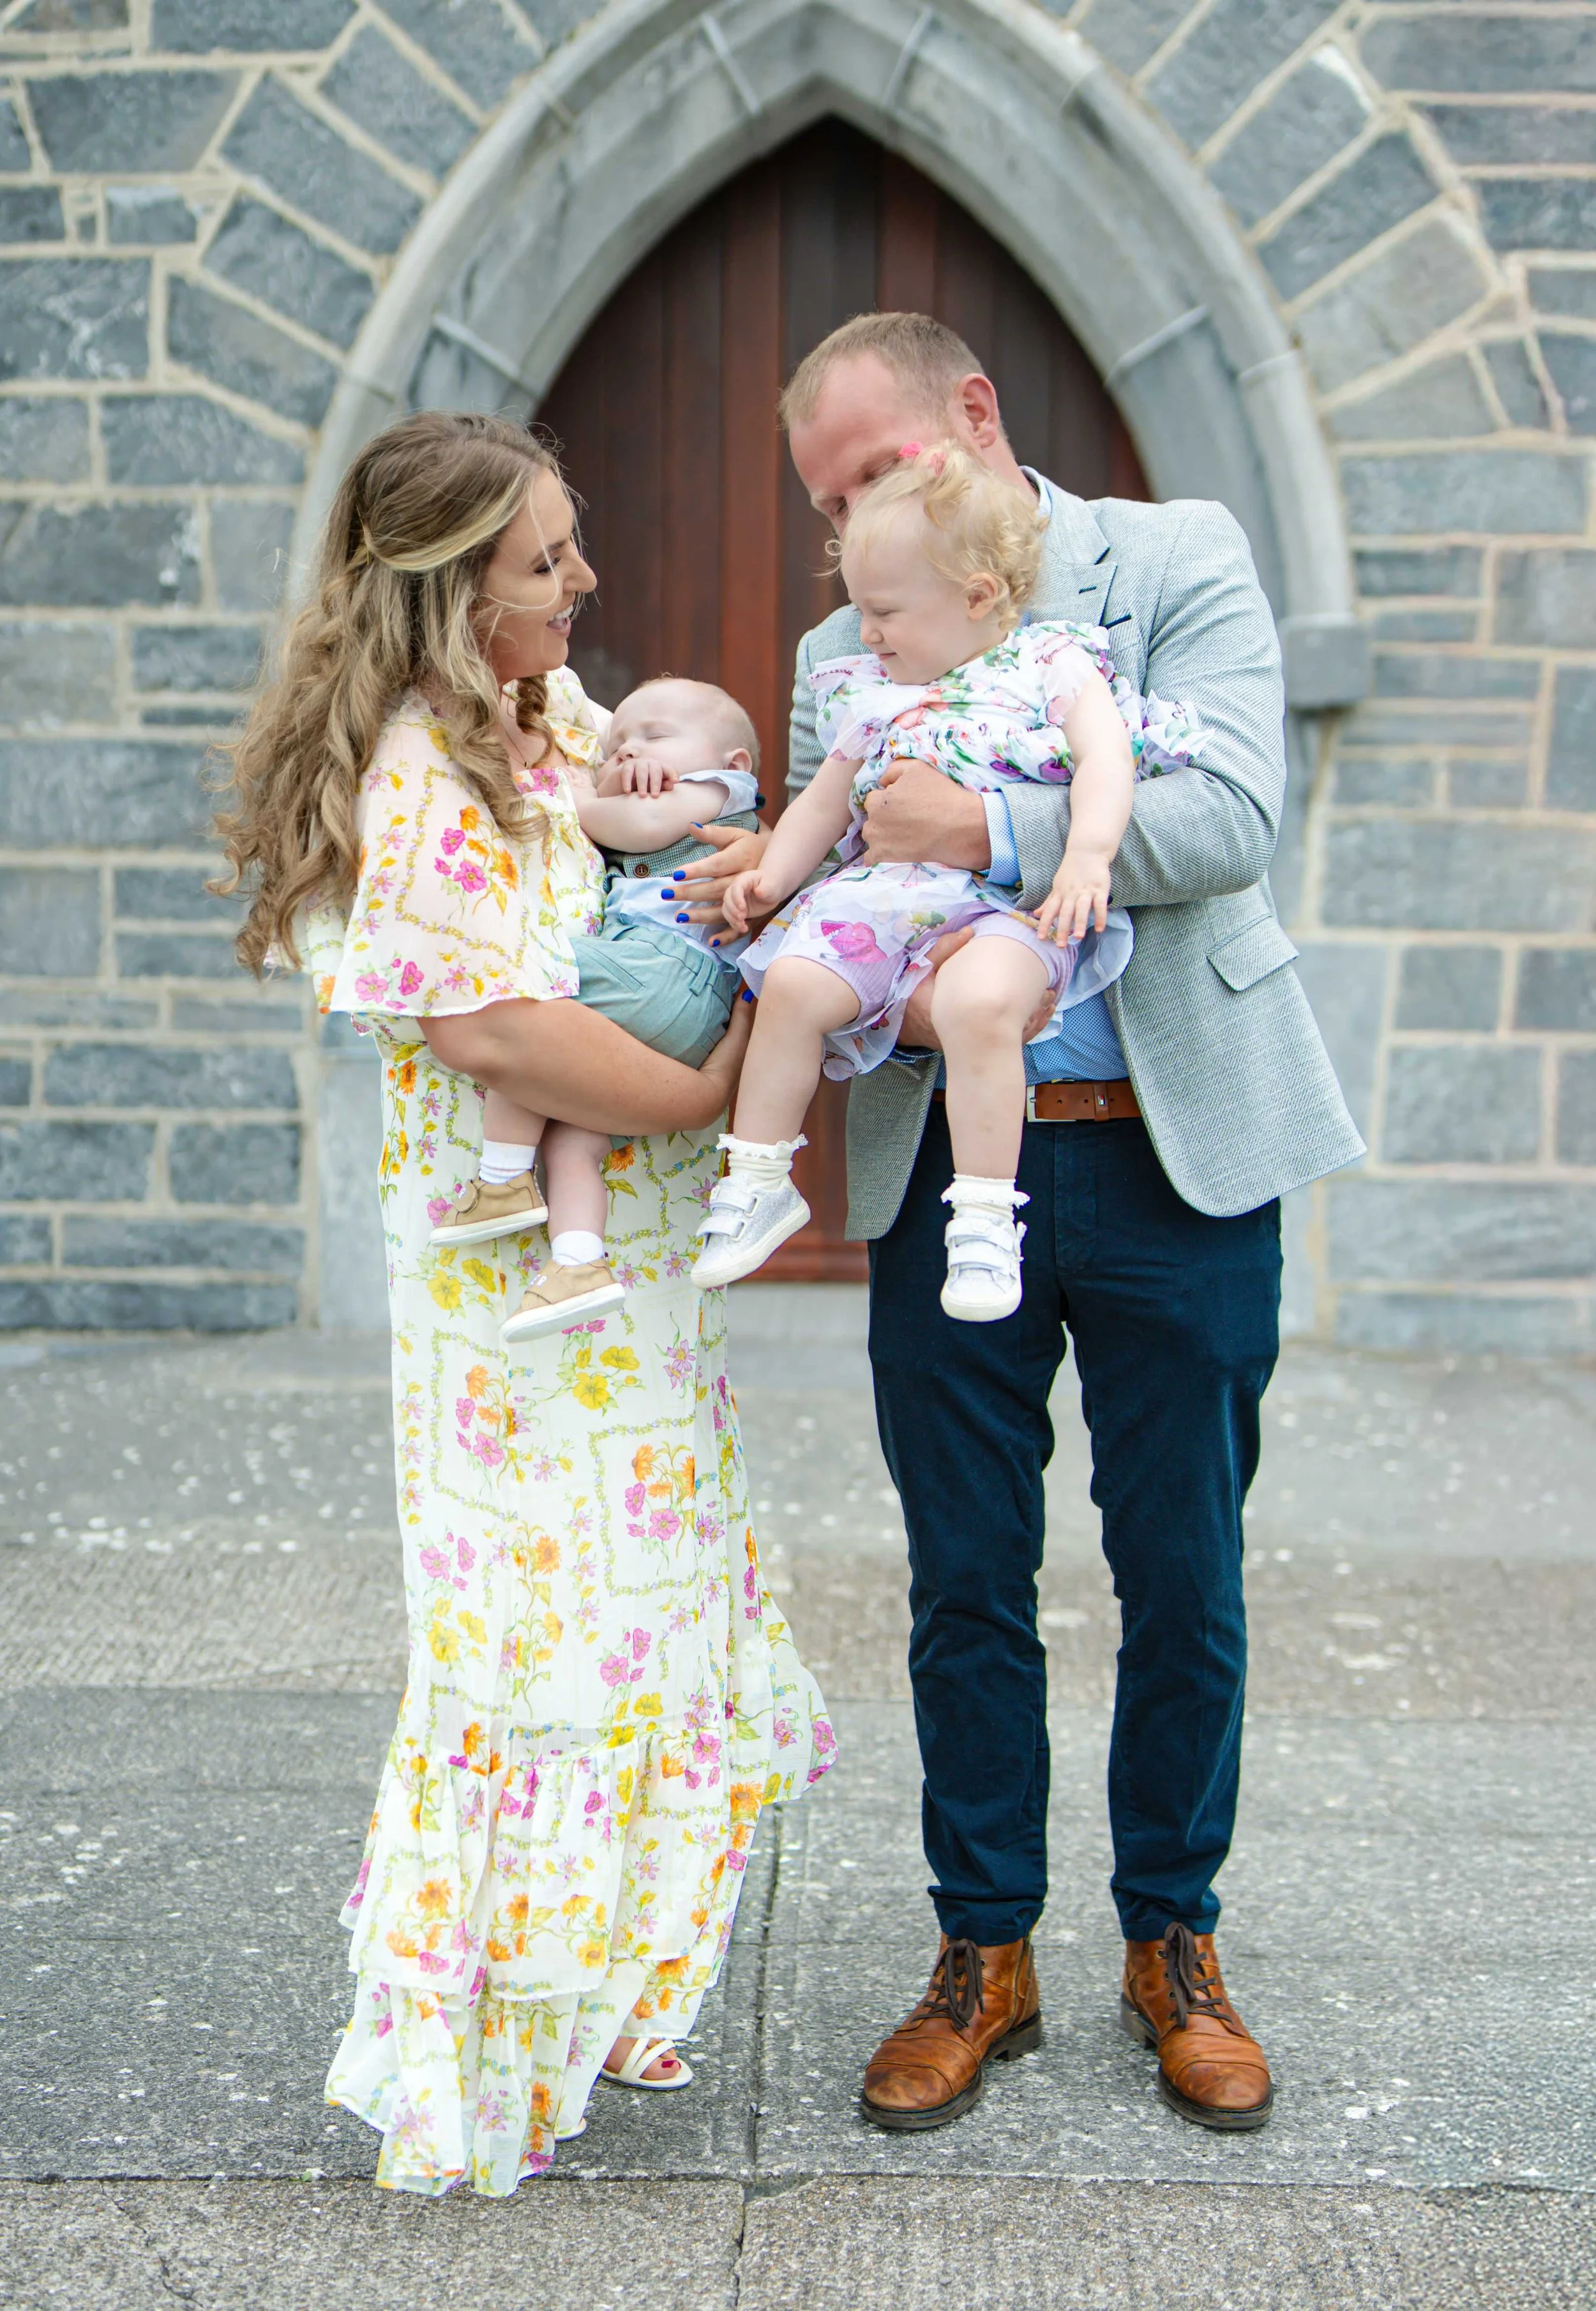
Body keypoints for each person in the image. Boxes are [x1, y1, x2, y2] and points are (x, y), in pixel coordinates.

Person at [214, 408, 834, 2194]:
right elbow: (489, 1024)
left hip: (622, 1288)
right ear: (445, 589)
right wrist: (723, 1087)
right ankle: (471, 2069)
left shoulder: (553, 719)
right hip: (508, 1312)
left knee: (632, 1634)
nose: (584, 581)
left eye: (568, 548)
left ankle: (585, 2021)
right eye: (545, 560)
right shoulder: (413, 765)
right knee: (528, 1656)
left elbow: (660, 884)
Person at [779, 314, 1362, 2135]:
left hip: (1172, 1153)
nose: (855, 531)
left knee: (1182, 1569)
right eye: (826, 501)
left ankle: (1171, 1939)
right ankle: (983, 1953)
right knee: (963, 1576)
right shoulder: (834, 650)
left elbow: (1232, 812)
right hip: (953, 1165)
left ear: (970, 419)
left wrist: (996, 823)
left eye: (873, 475)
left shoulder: (1174, 558)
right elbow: (829, 857)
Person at [696, 442, 1197, 1321]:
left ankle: (983, 1221)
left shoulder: (1051, 666)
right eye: (860, 610)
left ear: (977, 596)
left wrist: (1085, 855)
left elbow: (1108, 760)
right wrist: (771, 879)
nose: (869, 632)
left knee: (976, 1008)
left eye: (885, 611)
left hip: (1004, 906)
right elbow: (821, 803)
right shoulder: (876, 691)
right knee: (793, 984)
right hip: (886, 904)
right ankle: (761, 1174)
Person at [427, 675, 763, 1341]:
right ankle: (579, 1261)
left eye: (655, 737)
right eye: (617, 744)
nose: (628, 751)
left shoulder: (719, 793)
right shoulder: (654, 776)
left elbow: (638, 826)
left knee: (525, 979)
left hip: (666, 971)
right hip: (663, 1002)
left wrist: (576, 792)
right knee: (571, 1127)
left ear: (735, 763)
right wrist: (613, 776)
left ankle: (501, 1175)